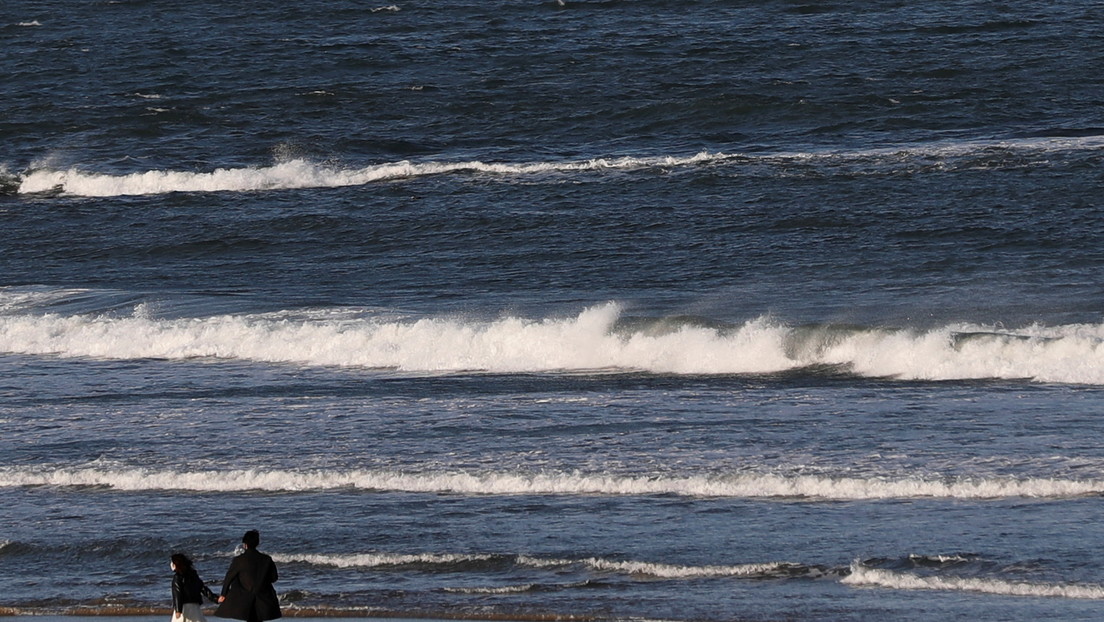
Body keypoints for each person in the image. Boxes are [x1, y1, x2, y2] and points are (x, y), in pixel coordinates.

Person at [213, 530, 281, 622]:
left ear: (245, 545)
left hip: (243, 598)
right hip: (263, 597)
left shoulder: (239, 560)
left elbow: (229, 577)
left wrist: (223, 594)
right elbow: (274, 578)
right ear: (257, 543)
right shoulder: (266, 559)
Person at [170, 553, 218, 622]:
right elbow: (203, 588)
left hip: (184, 607)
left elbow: (177, 594)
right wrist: (215, 598)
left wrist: (178, 610)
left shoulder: (177, 578)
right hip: (195, 606)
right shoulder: (193, 575)